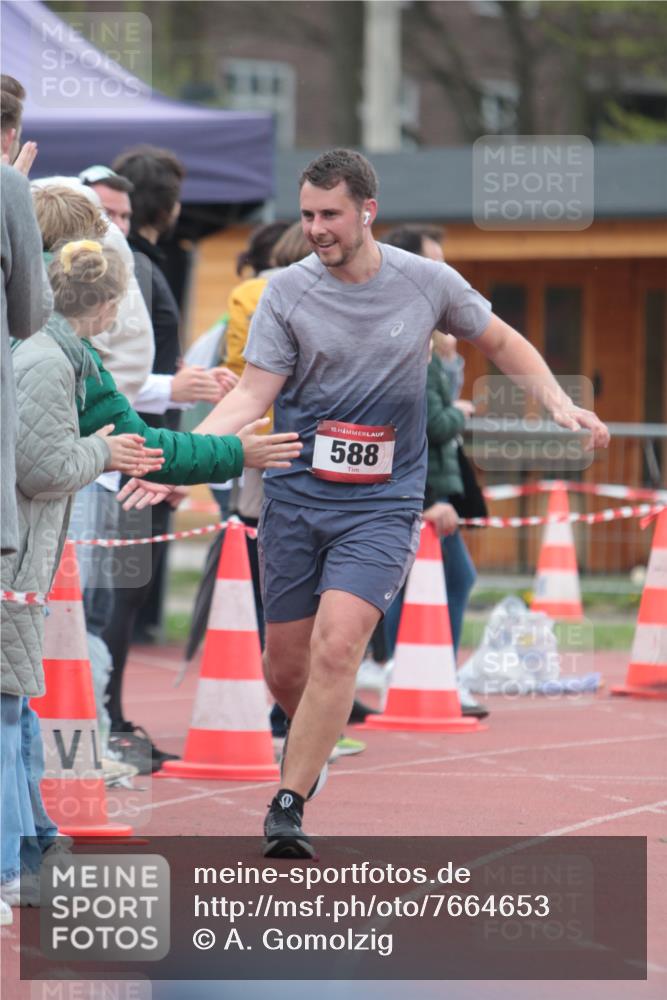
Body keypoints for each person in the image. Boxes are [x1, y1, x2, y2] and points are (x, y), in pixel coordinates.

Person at [122, 148, 609, 858]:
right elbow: (254, 397)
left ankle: (287, 801)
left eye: (330, 215)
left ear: (366, 212)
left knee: (339, 643)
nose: (315, 228)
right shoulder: (285, 293)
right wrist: (184, 460)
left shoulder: (425, 282)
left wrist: (559, 402)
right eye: (307, 214)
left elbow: (500, 342)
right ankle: (312, 744)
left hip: (382, 503)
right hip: (294, 495)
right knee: (283, 668)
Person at [1, 240, 163, 914]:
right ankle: (13, 864)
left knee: (19, 708)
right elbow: (40, 466)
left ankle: (32, 846)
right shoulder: (47, 360)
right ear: (106, 302)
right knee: (8, 712)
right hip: (15, 558)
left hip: (23, 558)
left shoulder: (52, 353)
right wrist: (104, 450)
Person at [380, 224, 486, 718]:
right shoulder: (406, 345)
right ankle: (410, 668)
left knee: (438, 579)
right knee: (446, 579)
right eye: (436, 263)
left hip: (427, 489)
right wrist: (425, 501)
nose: (446, 273)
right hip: (415, 491)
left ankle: (410, 667)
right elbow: (413, 429)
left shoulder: (432, 345)